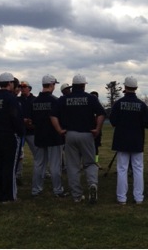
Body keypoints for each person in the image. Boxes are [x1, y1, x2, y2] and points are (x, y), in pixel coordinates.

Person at [50, 74, 106, 204]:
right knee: (90, 163)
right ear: (84, 85)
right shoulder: (90, 98)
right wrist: (97, 129)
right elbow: (101, 113)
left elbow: (53, 115)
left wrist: (59, 130)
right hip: (87, 134)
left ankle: (77, 195)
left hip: (70, 135)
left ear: (72, 85)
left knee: (73, 166)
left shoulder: (64, 99)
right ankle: (92, 184)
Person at [110, 76, 148, 205]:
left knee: (122, 169)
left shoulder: (118, 103)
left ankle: (122, 198)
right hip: (137, 139)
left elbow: (113, 121)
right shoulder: (142, 105)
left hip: (122, 139)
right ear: (136, 88)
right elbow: (146, 123)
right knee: (138, 169)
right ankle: (138, 197)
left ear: (125, 87)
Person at [0, 72, 24, 203]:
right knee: (9, 167)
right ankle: (8, 196)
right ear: (10, 83)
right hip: (9, 137)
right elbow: (15, 118)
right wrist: (21, 131)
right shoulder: (11, 99)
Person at [31, 74, 68, 197]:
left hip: (39, 135)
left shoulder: (34, 101)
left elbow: (32, 120)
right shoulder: (55, 100)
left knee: (39, 164)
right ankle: (57, 190)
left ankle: (36, 190)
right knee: (55, 165)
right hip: (54, 136)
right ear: (51, 85)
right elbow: (61, 118)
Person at [17, 80, 36, 185]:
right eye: (20, 87)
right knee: (19, 154)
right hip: (20, 131)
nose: (22, 89)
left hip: (32, 131)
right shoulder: (16, 100)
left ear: (29, 88)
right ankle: (18, 175)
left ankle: (43, 172)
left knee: (38, 154)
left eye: (24, 87)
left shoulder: (35, 100)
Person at [90, 91, 103, 169]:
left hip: (97, 131)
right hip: (89, 131)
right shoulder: (87, 108)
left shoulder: (99, 108)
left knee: (96, 147)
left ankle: (96, 161)